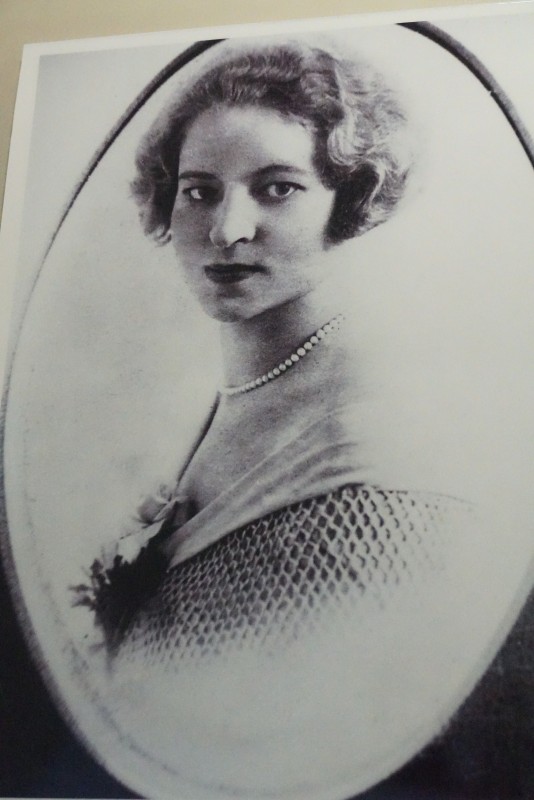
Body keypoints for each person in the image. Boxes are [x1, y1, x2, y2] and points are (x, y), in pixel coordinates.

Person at [75, 41, 533, 799]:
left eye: (278, 188)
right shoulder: (219, 398)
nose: (227, 229)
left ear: (348, 201)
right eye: (199, 191)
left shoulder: (379, 471)